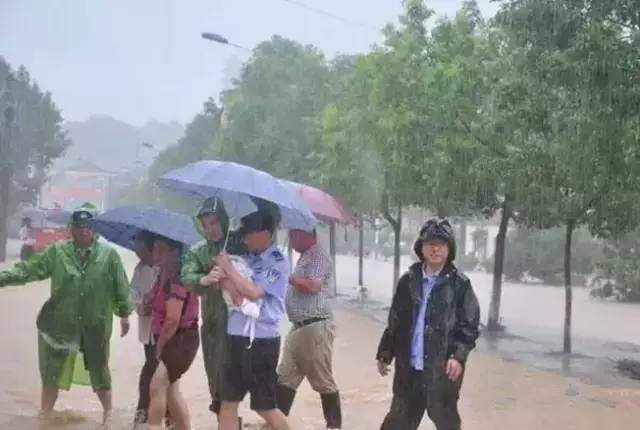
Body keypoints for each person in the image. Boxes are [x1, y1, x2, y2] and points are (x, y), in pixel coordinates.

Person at [0, 202, 131, 427]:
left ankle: (108, 414)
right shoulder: (57, 252)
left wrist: (125, 314)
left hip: (95, 323)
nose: (83, 230)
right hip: (59, 324)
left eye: (88, 225)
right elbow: (30, 270)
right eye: (79, 225)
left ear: (95, 228)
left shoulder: (109, 257)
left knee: (99, 369)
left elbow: (121, 286)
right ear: (71, 227)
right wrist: (3, 278)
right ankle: (45, 415)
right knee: (52, 370)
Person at [376, 219, 480, 430]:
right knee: (396, 424)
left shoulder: (460, 285)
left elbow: (469, 326)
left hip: (441, 373)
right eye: (430, 243)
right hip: (409, 371)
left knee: (447, 424)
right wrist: (385, 352)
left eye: (441, 243)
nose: (435, 248)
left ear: (449, 249)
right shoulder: (408, 281)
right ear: (421, 248)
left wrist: (458, 357)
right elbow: (395, 320)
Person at [209, 210, 291, 430]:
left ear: (265, 233)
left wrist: (228, 271)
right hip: (235, 337)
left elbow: (254, 293)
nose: (245, 239)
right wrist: (221, 274)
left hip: (262, 342)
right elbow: (225, 288)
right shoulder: (245, 259)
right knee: (227, 403)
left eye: (249, 234)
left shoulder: (278, 261)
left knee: (264, 407)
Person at [181, 197, 247, 417]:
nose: (211, 229)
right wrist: (205, 279)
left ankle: (232, 418)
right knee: (216, 379)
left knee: (236, 382)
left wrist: (233, 270)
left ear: (225, 222)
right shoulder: (197, 251)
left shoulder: (240, 244)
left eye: (215, 222)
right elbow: (187, 276)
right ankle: (224, 418)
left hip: (239, 323)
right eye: (207, 223)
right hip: (211, 324)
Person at [276, 229, 342, 429]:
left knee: (323, 379)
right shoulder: (305, 257)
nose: (291, 239)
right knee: (285, 377)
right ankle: (275, 423)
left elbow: (313, 286)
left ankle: (333, 425)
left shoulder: (318, 254)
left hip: (315, 325)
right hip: (298, 327)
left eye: (294, 234)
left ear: (307, 234)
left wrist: (288, 276)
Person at [147, 235, 200, 430]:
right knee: (171, 391)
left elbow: (172, 320)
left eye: (162, 249)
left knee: (156, 386)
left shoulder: (177, 279)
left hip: (181, 340)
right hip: (177, 337)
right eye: (155, 249)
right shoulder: (163, 276)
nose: (156, 254)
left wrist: (160, 346)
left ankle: (153, 426)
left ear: (175, 252)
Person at [130, 231, 161, 428]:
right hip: (147, 328)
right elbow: (132, 293)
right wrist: (139, 305)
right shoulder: (139, 269)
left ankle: (151, 414)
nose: (137, 253)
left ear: (151, 249)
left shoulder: (164, 269)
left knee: (156, 371)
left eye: (140, 249)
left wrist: (154, 303)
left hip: (164, 328)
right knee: (151, 367)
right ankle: (147, 413)